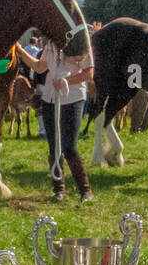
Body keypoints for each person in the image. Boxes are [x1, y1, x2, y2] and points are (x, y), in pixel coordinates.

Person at [18, 41, 95, 201]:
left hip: (72, 98)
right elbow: (40, 67)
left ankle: (85, 191)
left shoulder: (81, 41)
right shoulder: (51, 45)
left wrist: (67, 81)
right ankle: (59, 190)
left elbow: (88, 74)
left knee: (69, 147)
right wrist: (19, 51)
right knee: (54, 146)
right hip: (50, 98)